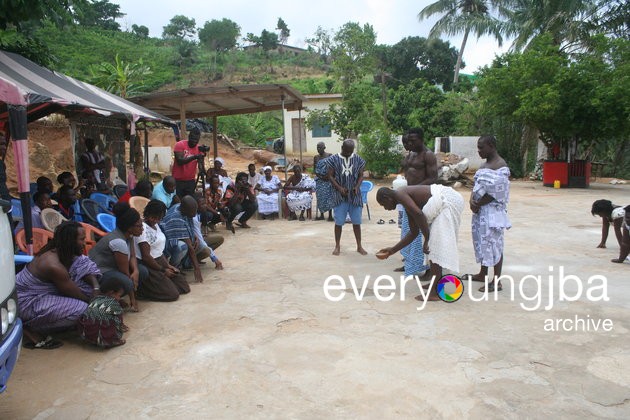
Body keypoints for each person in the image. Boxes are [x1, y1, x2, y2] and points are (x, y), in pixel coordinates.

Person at [16, 221, 102, 349]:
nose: (85, 243)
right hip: (27, 302)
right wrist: (98, 306)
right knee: (82, 309)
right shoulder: (52, 265)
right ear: (70, 241)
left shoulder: (65, 252)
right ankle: (31, 327)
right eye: (82, 239)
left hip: (45, 293)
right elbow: (79, 296)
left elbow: (85, 264)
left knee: (90, 292)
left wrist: (96, 288)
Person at [376, 185, 464, 301]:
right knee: (433, 244)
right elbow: (414, 232)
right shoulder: (404, 200)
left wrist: (427, 239)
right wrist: (392, 250)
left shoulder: (400, 194)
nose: (385, 208)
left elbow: (418, 214)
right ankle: (435, 283)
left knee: (434, 245)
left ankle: (435, 292)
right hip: (444, 201)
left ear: (388, 198)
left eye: (383, 204)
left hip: (447, 200)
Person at [464, 135, 512, 292]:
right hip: (480, 212)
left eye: (481, 147)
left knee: (494, 244)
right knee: (481, 241)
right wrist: (472, 201)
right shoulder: (484, 165)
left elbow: (497, 192)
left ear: (491, 146)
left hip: (492, 213)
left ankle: (496, 281)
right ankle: (482, 273)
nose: (478, 151)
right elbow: (476, 185)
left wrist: (478, 203)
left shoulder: (500, 165)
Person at [88, 202, 147, 312]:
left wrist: (136, 271)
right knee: (127, 280)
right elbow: (125, 273)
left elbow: (133, 256)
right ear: (130, 228)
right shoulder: (118, 241)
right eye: (139, 226)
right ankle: (108, 297)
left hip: (113, 269)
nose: (142, 229)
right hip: (99, 273)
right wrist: (132, 298)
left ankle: (117, 295)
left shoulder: (129, 236)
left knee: (142, 271)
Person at [398, 128, 437, 278]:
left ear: (421, 139)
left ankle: (428, 269)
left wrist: (415, 191)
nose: (410, 143)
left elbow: (433, 178)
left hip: (422, 199)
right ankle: (410, 262)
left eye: (413, 141)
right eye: (409, 141)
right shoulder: (411, 154)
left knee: (424, 233)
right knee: (409, 231)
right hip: (410, 197)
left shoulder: (428, 155)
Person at [134, 200, 190, 301]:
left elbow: (158, 251)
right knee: (173, 295)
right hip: (149, 264)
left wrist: (168, 266)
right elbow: (146, 257)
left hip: (160, 260)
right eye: (154, 217)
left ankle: (162, 285)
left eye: (159, 218)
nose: (156, 220)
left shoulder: (156, 225)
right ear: (148, 214)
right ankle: (143, 291)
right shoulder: (142, 229)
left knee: (184, 287)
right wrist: (163, 270)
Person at [328, 139, 367, 256]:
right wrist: (339, 188)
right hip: (340, 196)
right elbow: (330, 176)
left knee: (357, 222)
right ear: (342, 147)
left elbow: (361, 175)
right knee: (339, 222)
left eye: (351, 151)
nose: (349, 153)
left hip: (355, 196)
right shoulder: (333, 159)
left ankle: (359, 246)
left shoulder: (358, 159)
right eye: (347, 150)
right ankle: (337, 246)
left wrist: (357, 186)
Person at [160, 196, 206, 283]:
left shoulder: (183, 207)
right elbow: (189, 246)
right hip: (168, 244)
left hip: (180, 237)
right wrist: (197, 268)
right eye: (192, 212)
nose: (194, 214)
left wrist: (195, 236)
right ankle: (174, 268)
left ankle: (185, 263)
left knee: (199, 245)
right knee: (183, 247)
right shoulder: (176, 218)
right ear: (185, 210)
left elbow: (189, 226)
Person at [77, 276, 127, 348]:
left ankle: (93, 338)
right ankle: (112, 340)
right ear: (111, 292)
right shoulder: (113, 303)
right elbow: (119, 320)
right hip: (103, 337)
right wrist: (121, 326)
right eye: (119, 295)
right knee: (116, 316)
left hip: (86, 336)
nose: (119, 298)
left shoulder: (94, 299)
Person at [172, 127, 204, 198]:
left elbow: (201, 166)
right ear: (189, 136)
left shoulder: (199, 148)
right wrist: (194, 157)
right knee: (177, 201)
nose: (194, 141)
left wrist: (202, 159)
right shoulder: (180, 145)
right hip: (178, 180)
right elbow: (180, 161)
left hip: (190, 181)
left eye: (196, 140)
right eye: (192, 138)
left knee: (189, 202)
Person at [313, 142, 333, 221]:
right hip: (320, 180)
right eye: (317, 147)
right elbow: (315, 169)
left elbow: (332, 167)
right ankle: (321, 215)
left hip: (328, 180)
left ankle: (330, 215)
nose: (318, 149)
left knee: (329, 197)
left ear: (324, 147)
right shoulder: (316, 157)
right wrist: (321, 176)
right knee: (320, 197)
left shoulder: (329, 156)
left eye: (320, 147)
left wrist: (327, 176)